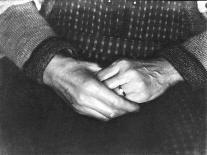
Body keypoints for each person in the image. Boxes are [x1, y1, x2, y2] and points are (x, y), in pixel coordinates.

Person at [0, 0, 206, 154]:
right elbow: (7, 7)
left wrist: (170, 69)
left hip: (179, 85)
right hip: (49, 73)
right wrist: (53, 66)